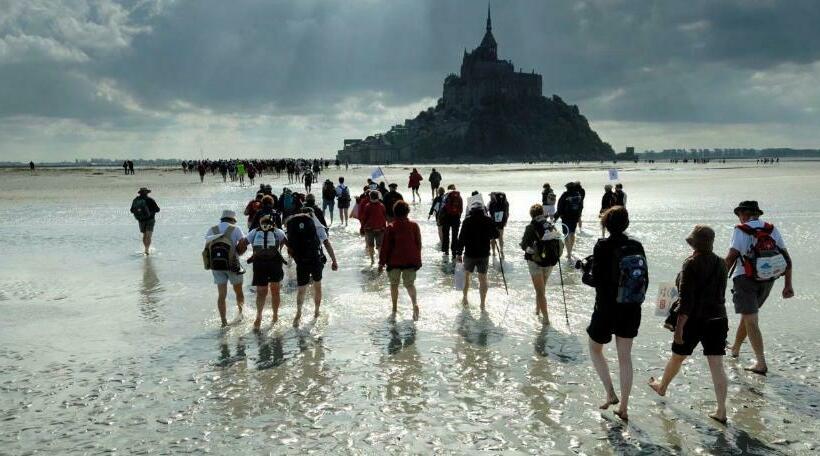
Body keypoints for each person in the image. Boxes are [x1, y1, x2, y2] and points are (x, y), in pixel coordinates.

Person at [648, 225, 729, 424]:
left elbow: (686, 301)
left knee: (677, 357)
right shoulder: (721, 262)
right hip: (718, 318)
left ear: (694, 244)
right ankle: (721, 410)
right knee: (717, 365)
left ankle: (662, 387)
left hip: (694, 320)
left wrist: (679, 329)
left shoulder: (691, 263)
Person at [583, 206, 648, 421]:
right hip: (631, 306)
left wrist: (585, 274)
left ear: (605, 224)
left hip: (606, 307)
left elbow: (597, 280)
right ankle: (625, 407)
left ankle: (610, 392)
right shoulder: (636, 245)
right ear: (626, 224)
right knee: (625, 358)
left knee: (594, 348)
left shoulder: (603, 246)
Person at [725, 201, 793, 375]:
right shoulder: (771, 229)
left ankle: (760, 363)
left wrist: (717, 279)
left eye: (739, 214)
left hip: (745, 278)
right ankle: (735, 348)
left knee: (751, 320)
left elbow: (732, 256)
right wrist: (788, 285)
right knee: (748, 315)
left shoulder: (741, 229)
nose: (739, 218)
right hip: (768, 278)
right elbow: (786, 258)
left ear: (743, 214)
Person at [286, 208, 339, 327]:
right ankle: (316, 311)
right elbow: (327, 244)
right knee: (317, 286)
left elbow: (290, 247)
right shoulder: (318, 227)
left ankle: (298, 313)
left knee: (301, 290)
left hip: (301, 262)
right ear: (312, 215)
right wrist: (334, 260)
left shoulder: (294, 226)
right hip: (315, 260)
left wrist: (291, 260)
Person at [239, 215, 287, 330]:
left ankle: (259, 316)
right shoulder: (278, 231)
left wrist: (242, 255)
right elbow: (288, 244)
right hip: (275, 263)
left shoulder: (254, 232)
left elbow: (243, 244)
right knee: (275, 290)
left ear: (260, 223)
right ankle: (275, 316)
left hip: (259, 263)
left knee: (261, 291)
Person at [378, 201, 422, 320]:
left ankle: (394, 308)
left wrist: (381, 263)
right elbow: (418, 244)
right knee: (410, 284)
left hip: (394, 261)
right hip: (410, 260)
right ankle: (414, 304)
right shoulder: (414, 225)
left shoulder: (391, 227)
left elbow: (385, 247)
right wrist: (418, 259)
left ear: (394, 212)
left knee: (394, 284)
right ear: (407, 212)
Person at [204, 210, 247, 327]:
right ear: (233, 220)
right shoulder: (236, 229)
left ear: (222, 219)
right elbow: (243, 243)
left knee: (221, 294)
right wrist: (238, 253)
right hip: (233, 265)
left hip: (216, 266)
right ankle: (240, 315)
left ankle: (223, 321)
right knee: (239, 292)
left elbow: (207, 247)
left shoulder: (212, 229)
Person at [520, 203, 562, 323]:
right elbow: (559, 239)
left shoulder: (530, 227)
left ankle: (546, 318)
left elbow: (524, 245)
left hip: (535, 262)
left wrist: (527, 247)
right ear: (542, 213)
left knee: (540, 291)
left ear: (531, 215)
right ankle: (537, 310)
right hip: (549, 262)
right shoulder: (550, 225)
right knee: (542, 290)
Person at [455, 200, 499, 310]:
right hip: (484, 254)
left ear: (471, 210)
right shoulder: (488, 220)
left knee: (467, 276)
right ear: (483, 210)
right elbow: (496, 235)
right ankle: (482, 304)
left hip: (469, 254)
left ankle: (465, 298)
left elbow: (461, 238)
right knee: (483, 278)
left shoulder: (467, 221)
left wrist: (459, 253)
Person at [554, 182, 584, 262]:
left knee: (566, 234)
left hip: (566, 217)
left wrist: (556, 217)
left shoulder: (565, 195)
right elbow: (581, 206)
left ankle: (568, 253)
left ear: (567, 188)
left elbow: (559, 207)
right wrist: (578, 215)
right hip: (574, 217)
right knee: (572, 233)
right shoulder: (578, 195)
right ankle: (570, 250)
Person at [130, 187, 160, 255]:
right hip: (150, 219)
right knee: (148, 235)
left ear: (140, 193)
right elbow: (158, 210)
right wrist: (150, 212)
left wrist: (139, 212)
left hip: (141, 220)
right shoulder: (150, 200)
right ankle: (147, 250)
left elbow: (131, 210)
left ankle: (145, 249)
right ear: (147, 193)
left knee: (145, 235)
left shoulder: (136, 200)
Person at [360, 191, 387, 266]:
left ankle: (372, 260)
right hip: (380, 229)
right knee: (380, 246)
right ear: (378, 197)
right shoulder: (382, 206)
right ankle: (380, 261)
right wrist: (384, 227)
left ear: (370, 197)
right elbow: (384, 217)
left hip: (369, 229)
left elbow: (364, 218)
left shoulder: (367, 206)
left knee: (370, 245)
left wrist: (362, 228)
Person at [440, 184, 463, 257]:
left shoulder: (445, 196)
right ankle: (454, 251)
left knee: (446, 234)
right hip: (456, 218)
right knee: (455, 235)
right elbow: (461, 209)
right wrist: (458, 216)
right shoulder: (459, 197)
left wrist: (440, 218)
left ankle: (446, 250)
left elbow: (442, 208)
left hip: (447, 217)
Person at [487, 192, 509, 258]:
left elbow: (489, 212)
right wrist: (505, 221)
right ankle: (501, 250)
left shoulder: (491, 203)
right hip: (501, 222)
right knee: (501, 237)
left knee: (493, 238)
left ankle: (493, 252)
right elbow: (507, 213)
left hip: (493, 222)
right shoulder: (505, 203)